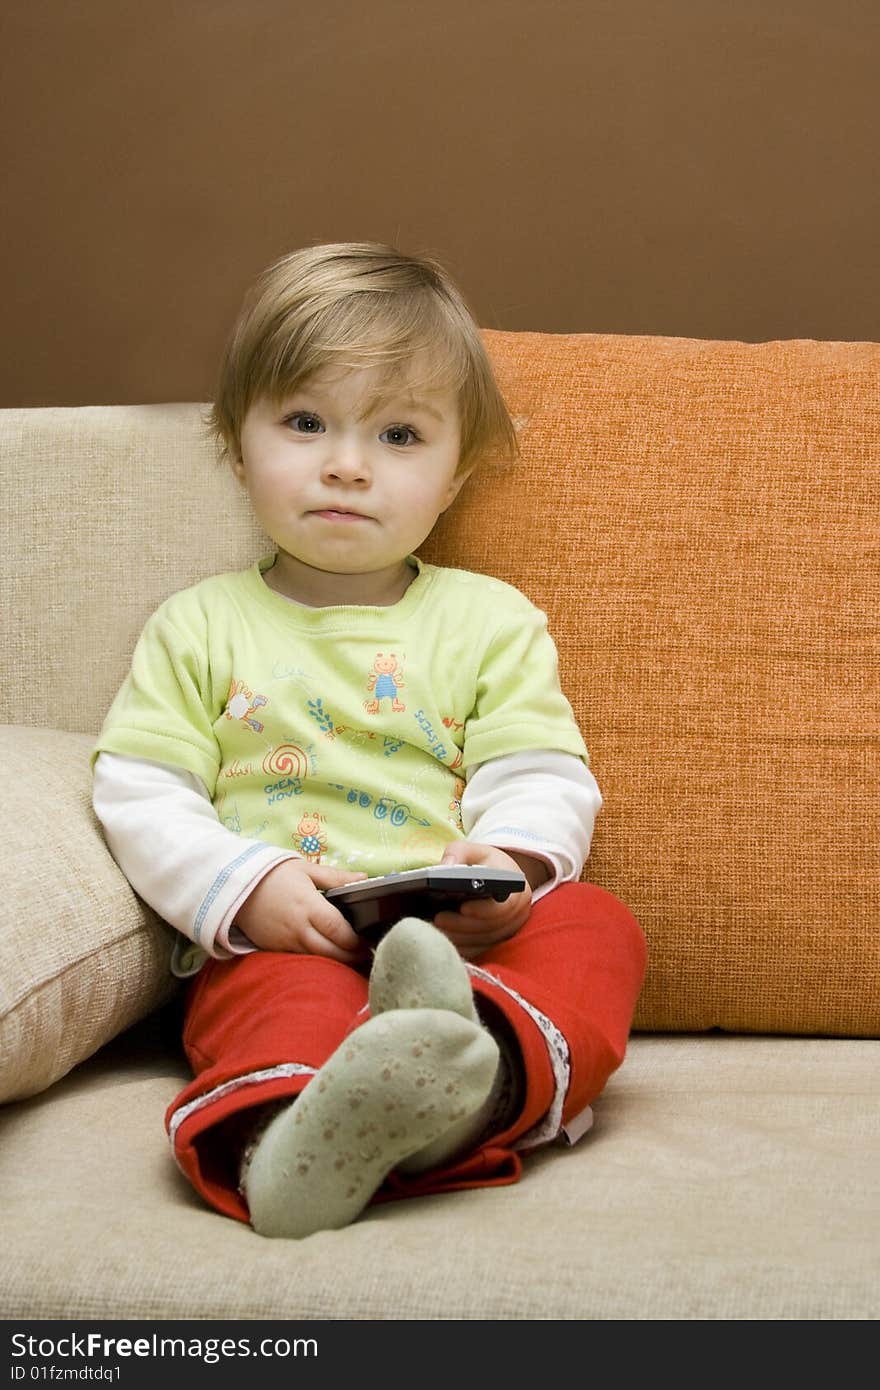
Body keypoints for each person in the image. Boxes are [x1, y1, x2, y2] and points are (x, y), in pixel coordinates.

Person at [92, 241, 647, 1239]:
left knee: (597, 926)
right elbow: (140, 787)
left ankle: (465, 1082)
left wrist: (509, 865)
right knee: (277, 1001)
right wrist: (243, 888)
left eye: (397, 434)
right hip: (288, 933)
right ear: (236, 444)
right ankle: (296, 1137)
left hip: (458, 937)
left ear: (454, 474)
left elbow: (539, 768)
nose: (345, 463)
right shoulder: (199, 625)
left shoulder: (488, 619)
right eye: (305, 422)